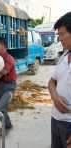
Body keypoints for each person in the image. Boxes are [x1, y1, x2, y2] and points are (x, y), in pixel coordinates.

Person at [48, 12, 71, 148]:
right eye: (59, 35)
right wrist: (55, 96)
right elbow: (51, 81)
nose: (60, 39)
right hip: (55, 119)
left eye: (62, 34)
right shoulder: (64, 55)